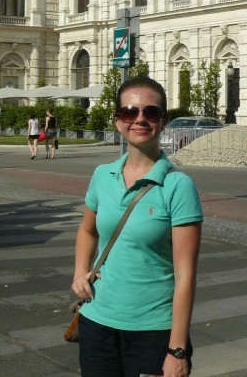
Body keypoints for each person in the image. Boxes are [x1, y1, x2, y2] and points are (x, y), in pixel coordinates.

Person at [72, 75, 202, 377]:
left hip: (153, 332)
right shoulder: (102, 175)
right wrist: (80, 271)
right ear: (118, 121)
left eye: (150, 112)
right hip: (96, 325)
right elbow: (87, 230)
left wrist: (177, 349)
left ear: (163, 121)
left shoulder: (178, 186)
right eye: (130, 112)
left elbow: (186, 275)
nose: (140, 119)